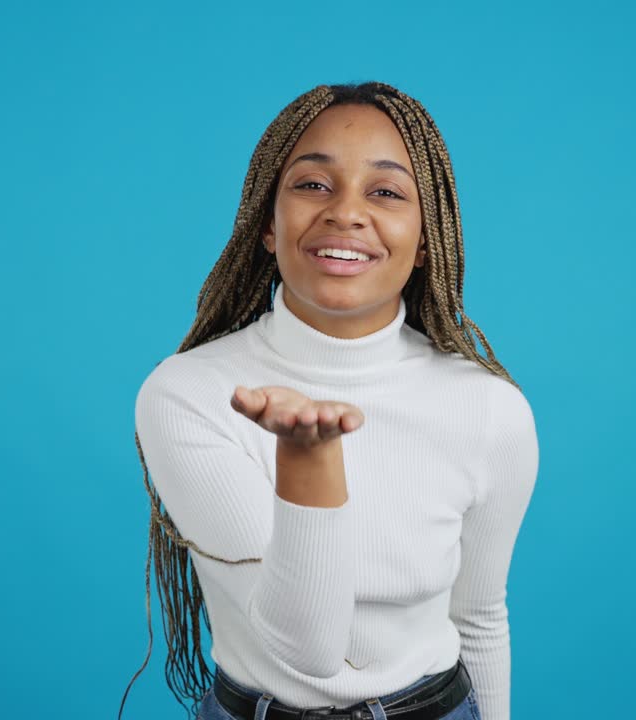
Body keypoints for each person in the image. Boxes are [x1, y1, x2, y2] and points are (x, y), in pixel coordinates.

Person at [123, 81, 539, 720]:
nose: (346, 212)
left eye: (386, 192)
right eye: (313, 185)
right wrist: (307, 458)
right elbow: (306, 650)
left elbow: (479, 617)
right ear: (267, 222)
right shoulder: (188, 394)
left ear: (427, 239)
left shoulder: (488, 408)